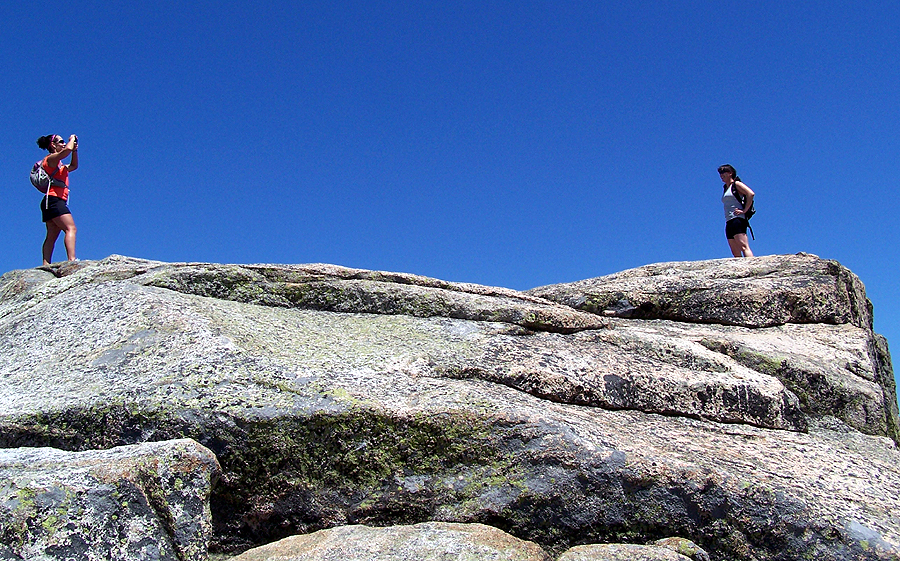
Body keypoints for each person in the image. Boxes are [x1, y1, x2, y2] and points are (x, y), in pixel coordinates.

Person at [36, 134, 79, 265]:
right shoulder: (51, 159)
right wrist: (71, 140)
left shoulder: (59, 165)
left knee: (52, 235)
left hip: (50, 201)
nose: (64, 143)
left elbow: (73, 166)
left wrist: (75, 151)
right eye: (61, 141)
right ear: (53, 145)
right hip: (54, 199)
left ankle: (46, 264)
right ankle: (72, 260)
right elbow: (66, 151)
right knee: (71, 228)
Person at [718, 163, 754, 257]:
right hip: (729, 220)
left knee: (743, 246)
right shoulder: (726, 188)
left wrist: (744, 210)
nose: (721, 175)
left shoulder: (736, 184)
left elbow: (750, 194)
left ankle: (751, 264)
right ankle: (741, 266)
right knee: (735, 251)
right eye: (720, 173)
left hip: (737, 219)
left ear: (730, 173)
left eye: (723, 172)